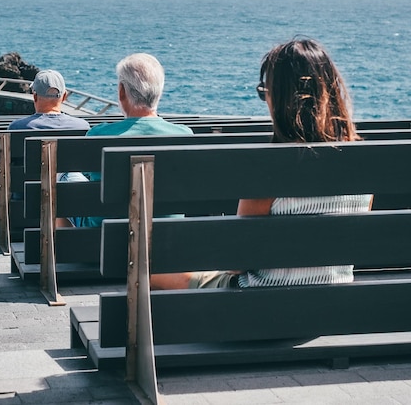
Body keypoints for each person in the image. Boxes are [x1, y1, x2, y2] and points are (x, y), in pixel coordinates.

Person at [152, 38, 373, 290]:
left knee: (154, 276)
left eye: (265, 92)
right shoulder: (363, 165)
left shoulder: (268, 169)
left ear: (280, 99)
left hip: (261, 307)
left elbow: (236, 262)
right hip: (335, 303)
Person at [66, 53, 193, 228]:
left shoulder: (98, 135)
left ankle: (66, 250)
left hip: (103, 238)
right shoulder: (184, 135)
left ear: (121, 92)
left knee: (64, 178)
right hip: (168, 238)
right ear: (159, 93)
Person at [0, 69, 90, 215]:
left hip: (23, 200)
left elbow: (0, 166)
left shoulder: (17, 127)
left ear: (35, 96)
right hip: (68, 198)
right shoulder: (82, 126)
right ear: (64, 97)